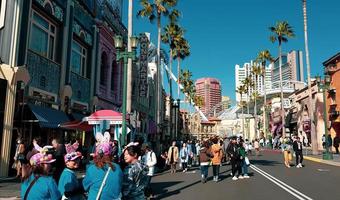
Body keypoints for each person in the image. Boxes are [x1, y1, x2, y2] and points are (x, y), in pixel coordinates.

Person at [83, 132, 123, 200]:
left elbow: (85, 186)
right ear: (110, 154)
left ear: (97, 154)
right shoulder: (117, 168)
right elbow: (120, 185)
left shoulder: (91, 168)